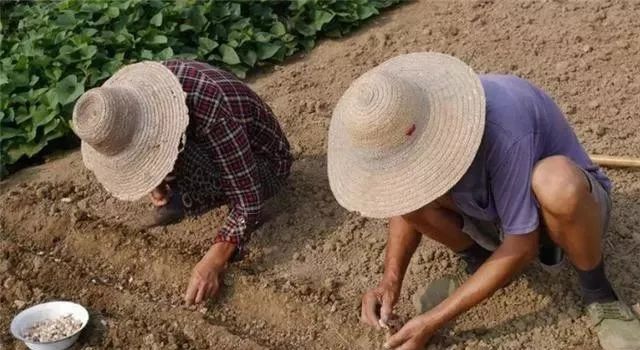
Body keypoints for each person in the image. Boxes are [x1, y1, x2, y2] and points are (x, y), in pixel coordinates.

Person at [327, 52, 640, 350]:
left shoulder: (504, 124)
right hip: (495, 212)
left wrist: (431, 322)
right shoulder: (415, 126)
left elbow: (522, 244)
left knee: (556, 183)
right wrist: (390, 281)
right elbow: (406, 202)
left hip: (568, 216)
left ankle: (600, 294)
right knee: (409, 199)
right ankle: (481, 264)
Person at [72, 60, 292, 305]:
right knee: (178, 158)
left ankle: (238, 224)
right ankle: (182, 196)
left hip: (266, 163)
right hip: (218, 141)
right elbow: (154, 144)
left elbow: (247, 198)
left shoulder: (208, 105)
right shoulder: (136, 97)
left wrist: (214, 260)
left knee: (234, 195)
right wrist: (155, 181)